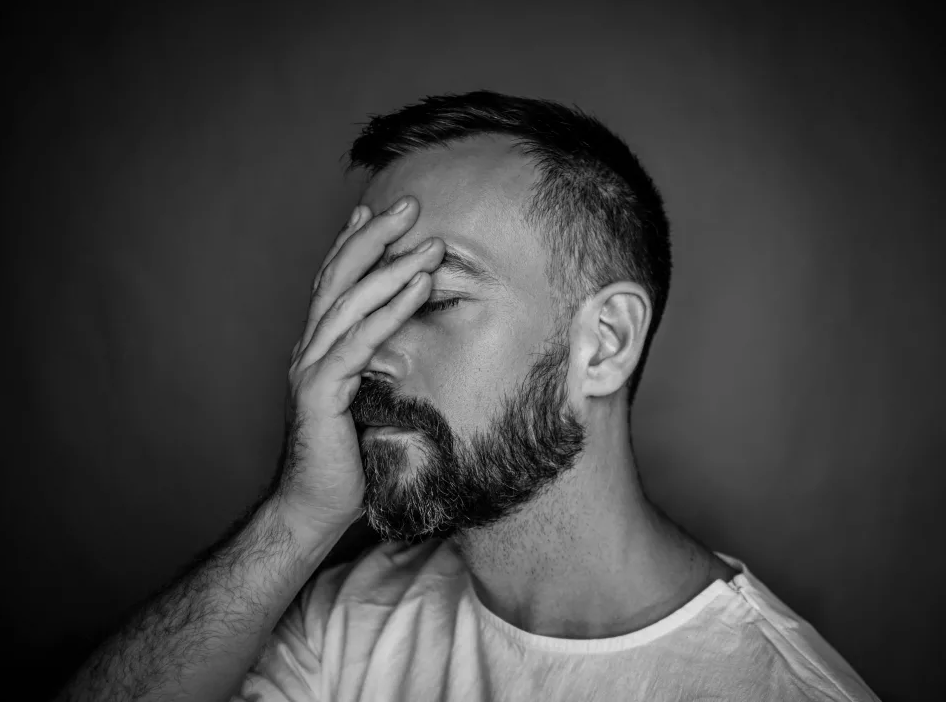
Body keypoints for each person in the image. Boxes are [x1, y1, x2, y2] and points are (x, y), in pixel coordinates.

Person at [56, 91, 880, 702]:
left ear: (605, 342)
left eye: (436, 298)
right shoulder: (350, 621)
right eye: (362, 300)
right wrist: (295, 520)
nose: (363, 350)